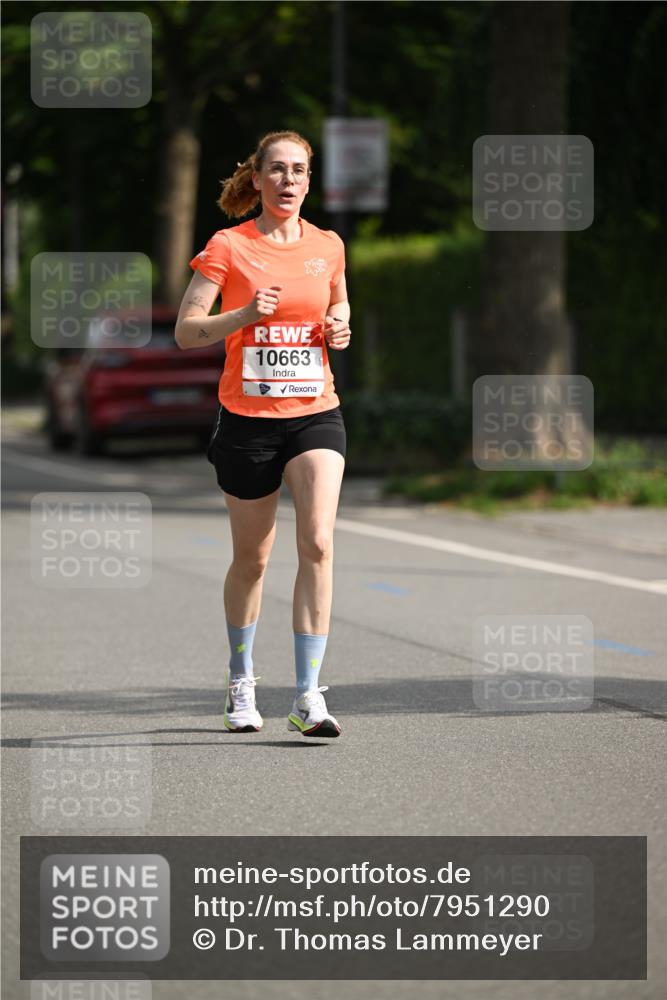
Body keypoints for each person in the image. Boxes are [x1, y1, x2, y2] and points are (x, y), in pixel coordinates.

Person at [175, 130, 351, 738]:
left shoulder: (328, 246)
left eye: (298, 170)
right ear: (256, 179)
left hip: (315, 411)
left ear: (309, 180)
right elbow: (186, 331)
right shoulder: (229, 246)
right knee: (252, 560)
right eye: (276, 169)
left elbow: (339, 305)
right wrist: (246, 315)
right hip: (247, 420)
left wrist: (338, 328)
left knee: (319, 544)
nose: (287, 180)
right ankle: (241, 679)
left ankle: (307, 696)